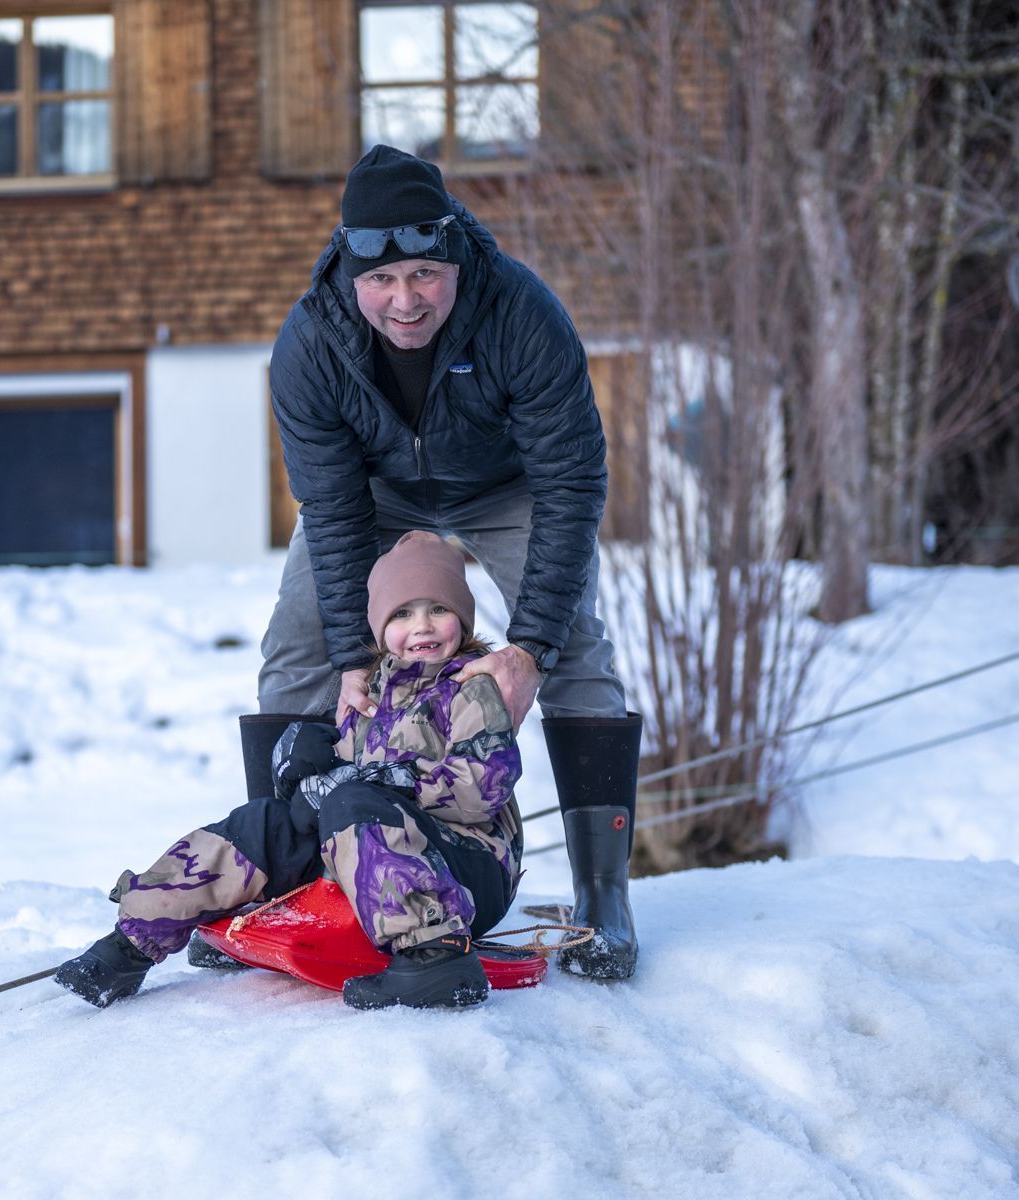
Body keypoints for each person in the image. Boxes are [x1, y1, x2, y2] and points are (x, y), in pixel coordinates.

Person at [245, 144, 643, 980]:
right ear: (350, 271)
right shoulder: (310, 341)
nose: (404, 301)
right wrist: (353, 658)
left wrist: (530, 646)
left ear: (453, 252)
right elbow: (332, 504)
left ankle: (605, 897)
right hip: (376, 494)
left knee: (577, 650)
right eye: (381, 282)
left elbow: (572, 483)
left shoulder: (520, 313)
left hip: (509, 487)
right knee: (298, 642)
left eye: (424, 274)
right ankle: (282, 880)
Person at [56, 531, 523, 1011]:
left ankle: (434, 962)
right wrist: (308, 774)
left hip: (466, 870)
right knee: (265, 822)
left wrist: (388, 781)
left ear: (462, 619)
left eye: (437, 610)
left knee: (353, 800)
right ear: (379, 627)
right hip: (376, 863)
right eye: (402, 613)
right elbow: (342, 785)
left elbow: (481, 789)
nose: (421, 626)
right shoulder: (368, 695)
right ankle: (134, 941)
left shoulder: (472, 688)